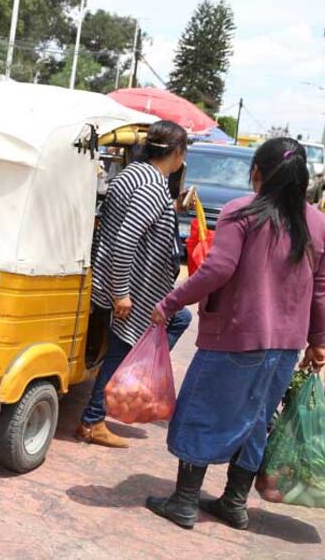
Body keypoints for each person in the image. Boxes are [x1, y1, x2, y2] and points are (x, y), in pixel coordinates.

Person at [145, 138, 325, 530]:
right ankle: (233, 503)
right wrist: (318, 341)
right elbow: (321, 288)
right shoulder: (318, 223)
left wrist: (170, 302)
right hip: (285, 347)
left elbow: (217, 269)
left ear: (257, 172)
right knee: (257, 420)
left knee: (201, 411)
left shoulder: (241, 211)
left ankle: (185, 501)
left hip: (235, 337)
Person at [77, 120, 194, 448]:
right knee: (125, 348)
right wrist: (122, 293)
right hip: (133, 286)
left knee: (169, 324)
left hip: (122, 278)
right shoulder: (152, 187)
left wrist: (173, 208)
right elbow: (126, 239)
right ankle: (94, 419)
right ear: (177, 153)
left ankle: (120, 393)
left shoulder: (132, 174)